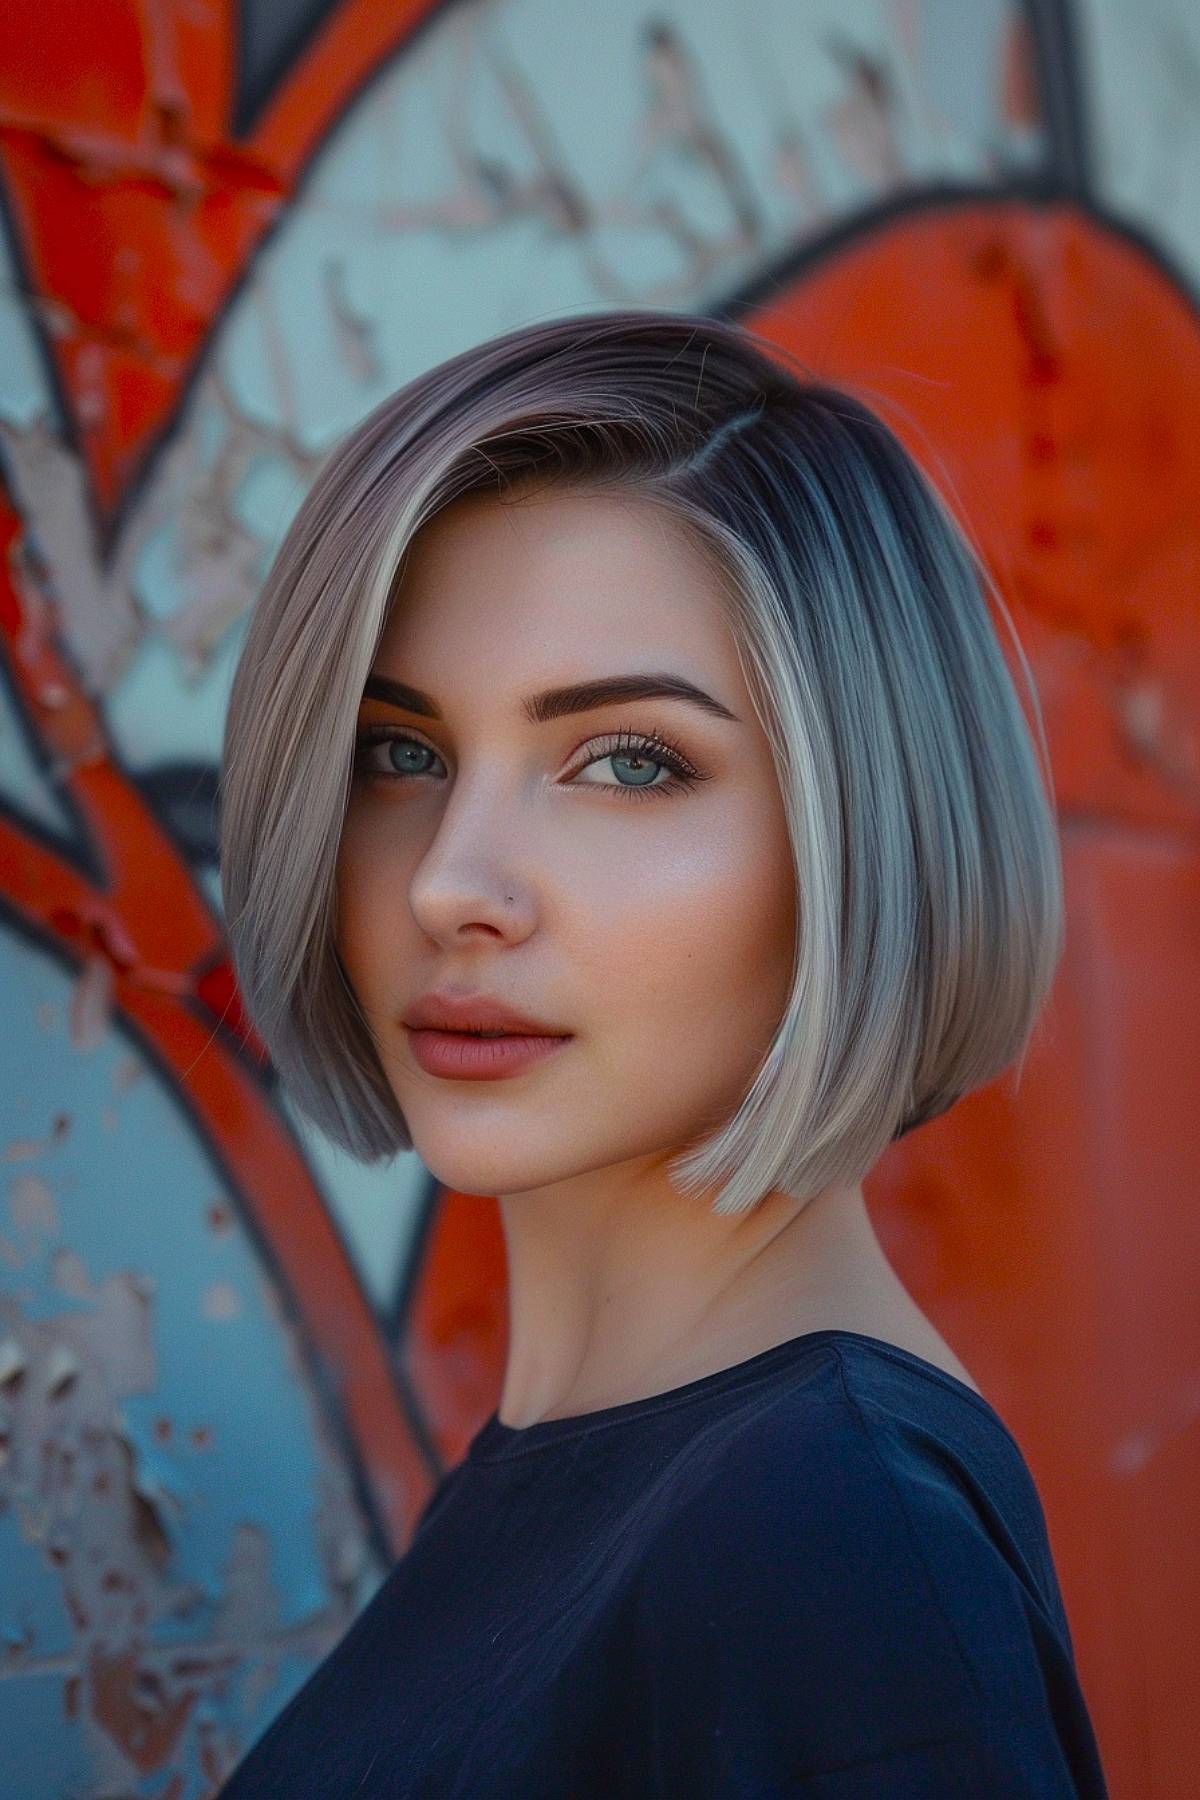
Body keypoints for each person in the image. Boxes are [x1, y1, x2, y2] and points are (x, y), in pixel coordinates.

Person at [215, 309, 1110, 1795]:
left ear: (860, 839)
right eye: (403, 753)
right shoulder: (614, 1487)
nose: (451, 881)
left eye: (630, 762)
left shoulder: (831, 1530)